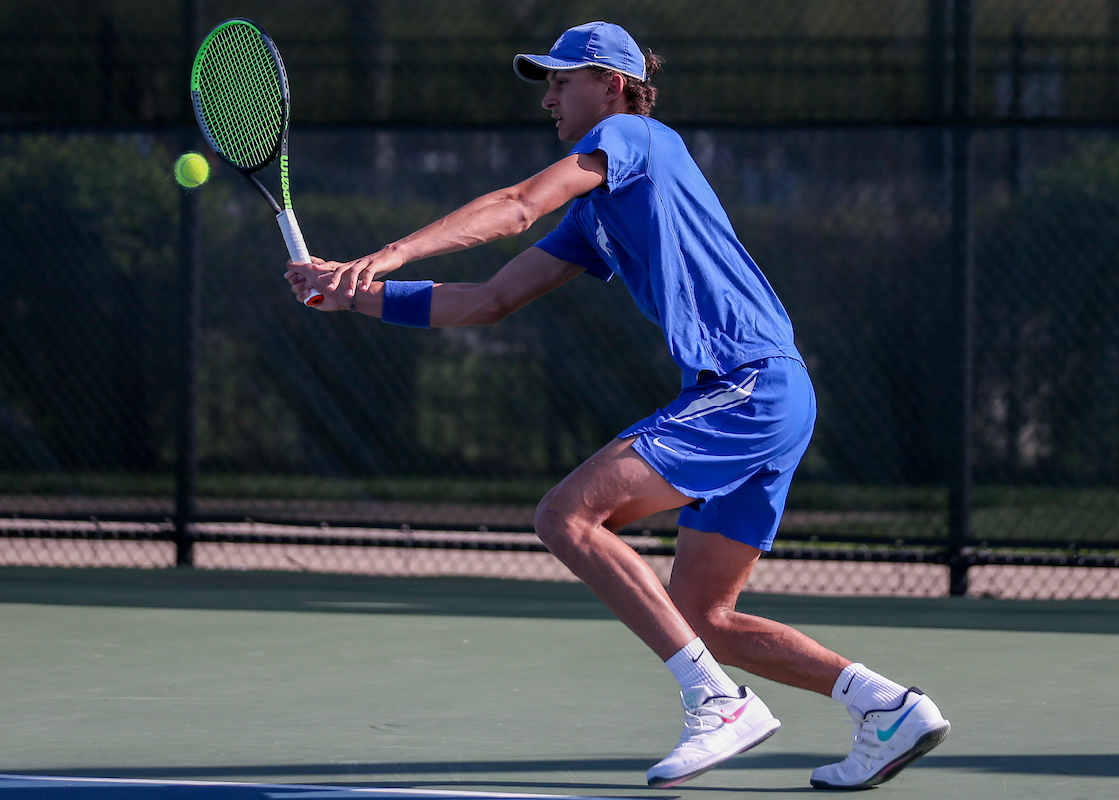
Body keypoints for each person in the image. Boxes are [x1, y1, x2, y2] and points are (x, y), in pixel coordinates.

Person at [286, 21, 950, 791]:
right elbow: (490, 299)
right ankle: (886, 707)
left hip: (747, 383)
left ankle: (717, 702)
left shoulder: (637, 137)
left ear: (613, 84)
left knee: (566, 517)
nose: (549, 99)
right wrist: (354, 296)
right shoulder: (599, 212)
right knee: (704, 618)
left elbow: (514, 205)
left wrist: (387, 252)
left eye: (562, 81)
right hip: (768, 393)